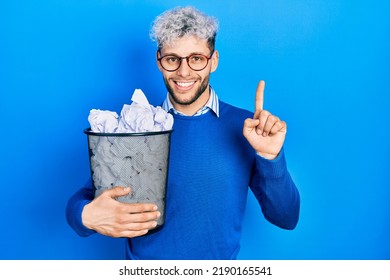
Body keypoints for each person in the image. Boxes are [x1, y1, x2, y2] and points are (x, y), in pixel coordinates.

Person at [66, 6, 300, 260]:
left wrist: (270, 157)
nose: (184, 71)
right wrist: (85, 215)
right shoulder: (136, 127)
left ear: (213, 61)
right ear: (159, 62)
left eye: (196, 58)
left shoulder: (249, 128)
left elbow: (286, 217)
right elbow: (85, 199)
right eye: (172, 59)